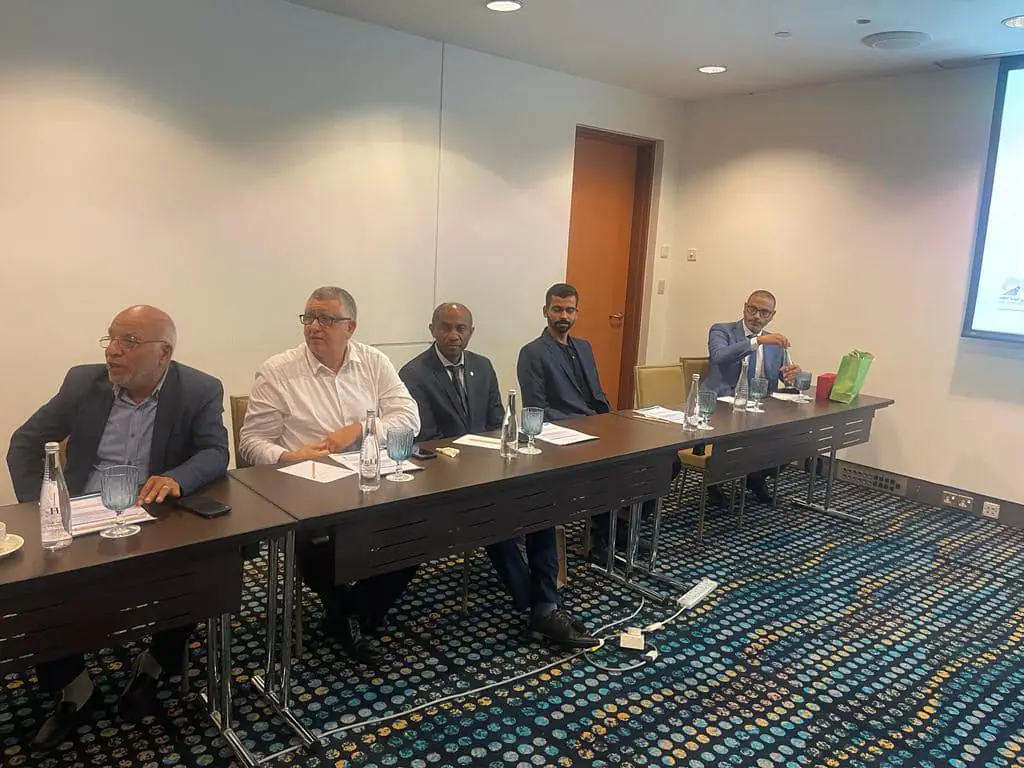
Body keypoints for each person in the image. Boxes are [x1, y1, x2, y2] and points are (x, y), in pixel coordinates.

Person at [6, 305, 229, 751]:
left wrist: (177, 478)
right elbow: (25, 443)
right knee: (32, 588)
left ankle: (156, 662)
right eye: (110, 338)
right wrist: (41, 505)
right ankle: (75, 688)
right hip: (81, 512)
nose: (112, 350)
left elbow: (214, 451)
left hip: (153, 515)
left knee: (200, 566)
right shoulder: (82, 383)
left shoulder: (199, 389)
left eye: (129, 341)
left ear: (164, 353)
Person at [239, 286, 420, 666]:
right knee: (318, 540)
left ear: (350, 327)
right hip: (306, 485)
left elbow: (409, 418)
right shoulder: (278, 371)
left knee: (416, 527)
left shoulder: (373, 361)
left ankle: (350, 610)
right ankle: (350, 615)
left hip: (368, 479)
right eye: (308, 317)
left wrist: (360, 429)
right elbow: (251, 442)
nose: (314, 326)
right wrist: (288, 455)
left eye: (326, 319)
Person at [400, 302, 597, 648]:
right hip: (447, 480)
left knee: (541, 508)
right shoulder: (414, 373)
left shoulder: (482, 366)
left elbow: (496, 422)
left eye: (461, 328)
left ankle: (545, 605)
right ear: (432, 330)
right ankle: (539, 608)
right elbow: (428, 438)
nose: (453, 335)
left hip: (490, 471)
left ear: (471, 332)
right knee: (495, 521)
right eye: (445, 327)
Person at [517, 283, 670, 563]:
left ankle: (618, 525)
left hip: (600, 425)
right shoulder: (533, 352)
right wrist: (585, 427)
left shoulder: (584, 347)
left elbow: (597, 395)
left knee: (666, 460)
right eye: (557, 309)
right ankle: (606, 533)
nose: (563, 316)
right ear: (545, 311)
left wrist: (613, 422)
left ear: (577, 312)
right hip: (565, 433)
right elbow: (537, 409)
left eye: (570, 310)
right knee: (604, 468)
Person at [703, 289, 801, 503]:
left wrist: (794, 375)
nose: (757, 316)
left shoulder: (774, 344)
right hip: (721, 406)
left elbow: (785, 377)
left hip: (760, 408)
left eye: (764, 312)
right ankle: (716, 478)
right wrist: (758, 341)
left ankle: (756, 477)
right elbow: (719, 357)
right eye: (752, 309)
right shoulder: (722, 330)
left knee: (797, 437)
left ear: (772, 315)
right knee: (741, 434)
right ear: (744, 307)